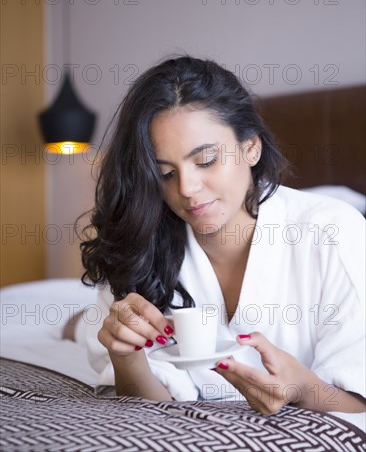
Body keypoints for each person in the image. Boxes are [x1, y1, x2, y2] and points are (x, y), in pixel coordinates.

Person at [77, 56, 365, 416]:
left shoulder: (334, 233)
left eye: (206, 159)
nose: (188, 188)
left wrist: (304, 389)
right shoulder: (140, 244)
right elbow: (148, 409)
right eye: (165, 173)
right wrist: (126, 358)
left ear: (251, 148)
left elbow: (359, 400)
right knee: (88, 325)